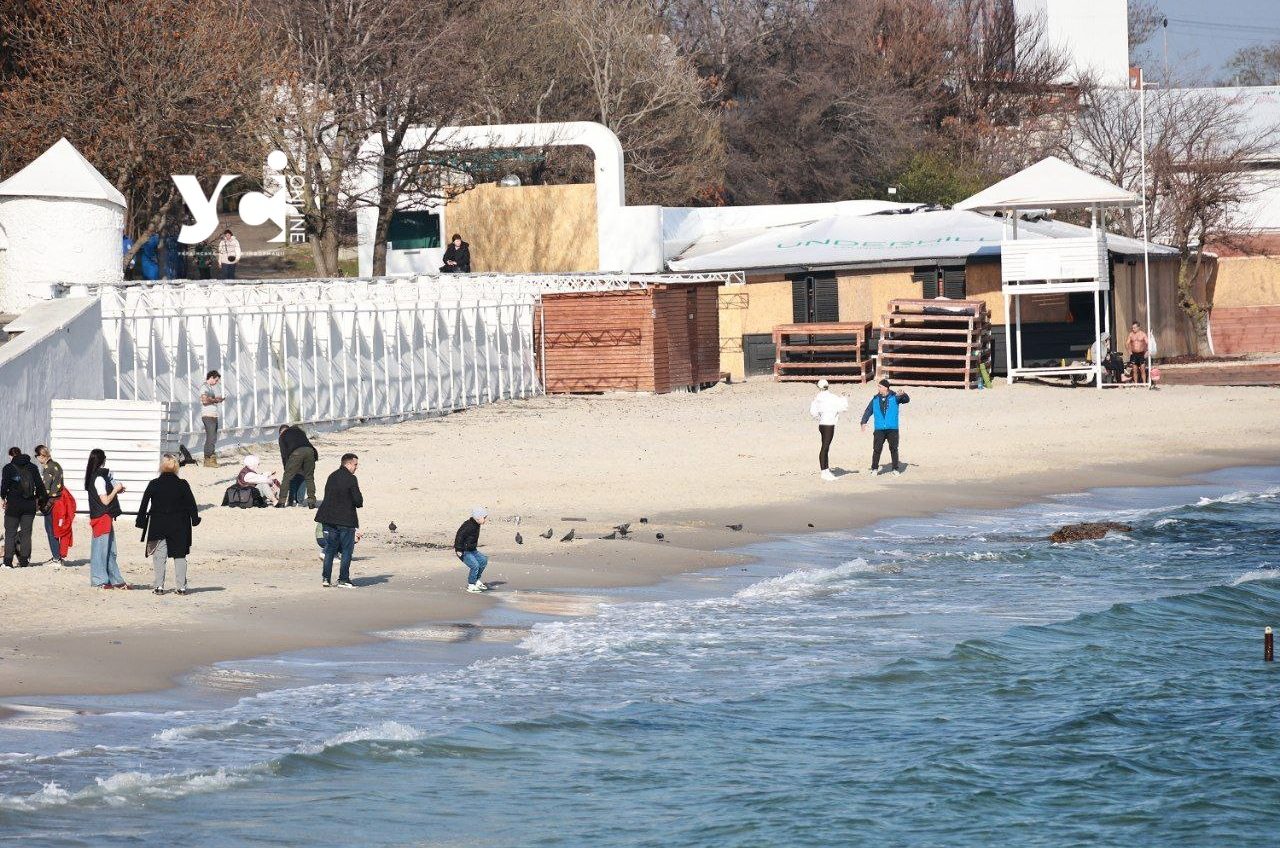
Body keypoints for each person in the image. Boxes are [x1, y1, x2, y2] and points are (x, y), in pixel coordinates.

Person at [136, 454, 201, 595]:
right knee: (180, 556)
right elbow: (191, 504)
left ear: (162, 466)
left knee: (159, 556)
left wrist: (140, 521)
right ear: (176, 467)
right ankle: (181, 587)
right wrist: (195, 519)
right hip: (179, 524)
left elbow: (144, 503)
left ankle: (159, 586)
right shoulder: (183, 484)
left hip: (158, 523)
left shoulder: (154, 483)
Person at [314, 453, 362, 588]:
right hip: (345, 519)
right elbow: (358, 501)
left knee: (330, 549)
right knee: (347, 550)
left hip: (328, 517)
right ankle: (343, 579)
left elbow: (328, 495)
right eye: (355, 464)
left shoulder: (332, 476)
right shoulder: (351, 479)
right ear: (347, 464)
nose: (356, 467)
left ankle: (326, 578)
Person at [85, 449, 129, 588]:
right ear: (103, 460)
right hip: (101, 517)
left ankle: (115, 580)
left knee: (110, 550)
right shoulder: (98, 478)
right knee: (101, 551)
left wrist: (116, 489)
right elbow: (105, 501)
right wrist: (116, 490)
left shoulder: (98, 476)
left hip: (104, 516)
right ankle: (99, 580)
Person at [2, 450, 48, 568]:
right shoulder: (32, 467)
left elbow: (4, 486)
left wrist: (3, 499)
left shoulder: (8, 468)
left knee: (10, 533)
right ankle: (24, 561)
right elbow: (40, 486)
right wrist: (38, 501)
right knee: (26, 533)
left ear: (12, 457)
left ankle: (7, 562)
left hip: (13, 505)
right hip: (29, 505)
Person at [860, 379, 911, 476]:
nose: (878, 388)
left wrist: (904, 394)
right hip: (879, 429)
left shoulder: (895, 397)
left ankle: (895, 469)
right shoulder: (875, 399)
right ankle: (874, 469)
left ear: (885, 388)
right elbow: (868, 411)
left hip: (892, 428)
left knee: (894, 449)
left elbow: (906, 400)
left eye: (880, 386)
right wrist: (863, 422)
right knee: (877, 449)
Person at [808, 378, 849, 482]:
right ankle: (824, 472)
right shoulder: (832, 397)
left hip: (821, 424)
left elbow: (813, 413)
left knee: (825, 447)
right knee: (825, 448)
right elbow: (843, 408)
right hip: (829, 425)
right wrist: (844, 397)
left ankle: (826, 470)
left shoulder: (817, 398)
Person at [33, 445, 65, 564]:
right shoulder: (57, 465)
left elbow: (45, 489)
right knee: (57, 529)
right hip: (59, 501)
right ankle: (58, 555)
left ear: (41, 455)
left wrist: (37, 501)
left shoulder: (48, 467)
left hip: (51, 503)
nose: (37, 459)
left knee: (50, 529)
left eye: (37, 456)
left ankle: (56, 557)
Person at [277, 424, 319, 509]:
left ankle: (281, 502)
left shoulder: (282, 436)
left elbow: (284, 454)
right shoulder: (299, 432)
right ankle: (311, 502)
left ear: (281, 432)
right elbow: (306, 444)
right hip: (310, 451)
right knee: (309, 477)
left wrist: (286, 468)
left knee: (287, 478)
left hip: (296, 452)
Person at [454, 507, 490, 593]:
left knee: (483, 560)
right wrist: (458, 549)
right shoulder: (468, 525)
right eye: (484, 518)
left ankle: (476, 580)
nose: (485, 519)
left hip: (472, 550)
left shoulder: (477, 524)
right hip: (463, 551)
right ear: (478, 517)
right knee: (475, 565)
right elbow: (459, 536)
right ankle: (471, 585)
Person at [199, 370, 225, 467]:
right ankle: (208, 458)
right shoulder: (204, 387)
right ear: (211, 377)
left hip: (213, 415)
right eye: (216, 380)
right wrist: (216, 400)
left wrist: (216, 399)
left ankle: (210, 458)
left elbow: (208, 399)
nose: (217, 382)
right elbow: (204, 400)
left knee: (213, 437)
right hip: (208, 415)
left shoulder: (209, 388)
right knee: (211, 437)